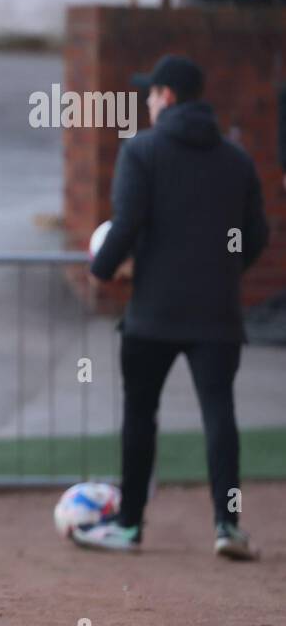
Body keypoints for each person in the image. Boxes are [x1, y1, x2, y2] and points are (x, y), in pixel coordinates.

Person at [77, 55, 269, 559]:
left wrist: (102, 270)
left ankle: (129, 526)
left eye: (150, 94)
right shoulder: (237, 159)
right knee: (219, 415)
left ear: (165, 96)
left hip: (153, 314)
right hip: (217, 314)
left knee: (140, 416)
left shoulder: (142, 151)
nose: (146, 102)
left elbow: (128, 222)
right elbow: (256, 236)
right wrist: (224, 270)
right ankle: (227, 525)